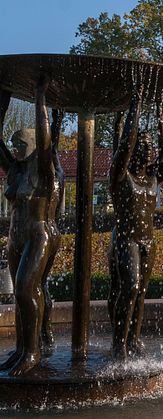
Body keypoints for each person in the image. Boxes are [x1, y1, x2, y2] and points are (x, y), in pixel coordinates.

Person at [108, 83, 163, 360]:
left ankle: (134, 339)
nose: (148, 150)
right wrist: (135, 103)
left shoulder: (154, 176)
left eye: (150, 147)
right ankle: (118, 343)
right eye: (141, 147)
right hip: (126, 239)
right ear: (131, 151)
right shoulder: (120, 177)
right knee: (129, 287)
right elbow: (127, 138)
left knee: (141, 291)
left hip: (148, 240)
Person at [0, 77, 62, 376]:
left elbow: (45, 137)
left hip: (40, 233)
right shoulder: (15, 168)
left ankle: (34, 351)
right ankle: (22, 348)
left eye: (20, 143)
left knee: (27, 289)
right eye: (14, 143)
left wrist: (40, 98)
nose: (14, 146)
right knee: (18, 294)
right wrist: (5, 94)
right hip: (16, 235)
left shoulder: (44, 169)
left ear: (36, 145)